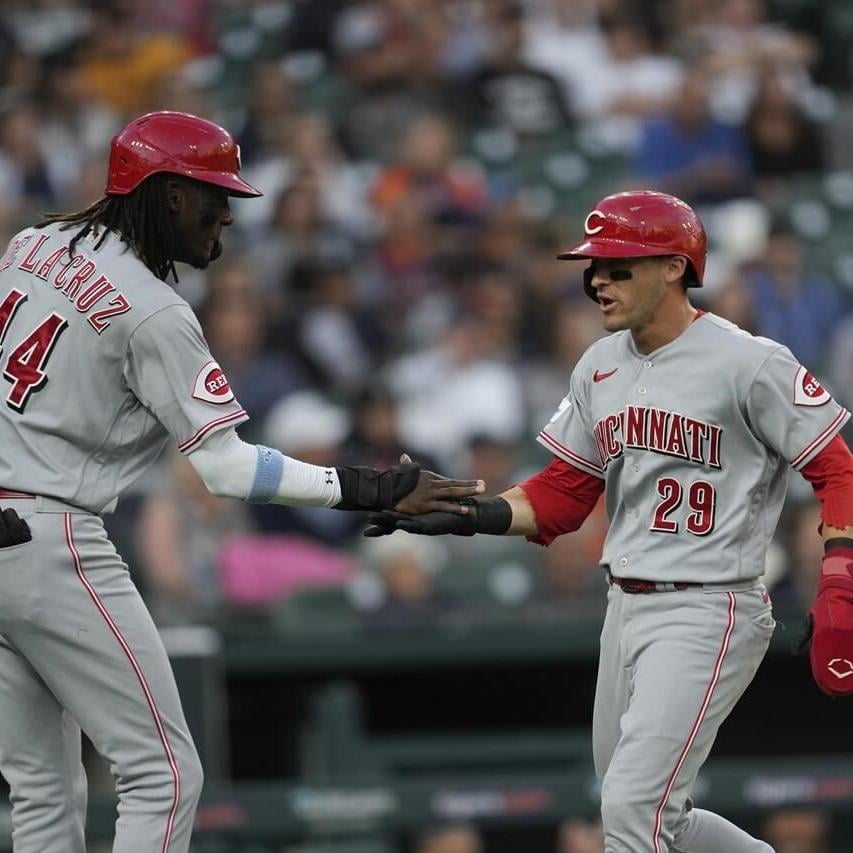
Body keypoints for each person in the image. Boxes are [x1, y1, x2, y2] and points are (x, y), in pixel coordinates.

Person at [0, 110, 484, 853]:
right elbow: (226, 467)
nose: (227, 213)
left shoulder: (35, 243)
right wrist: (374, 488)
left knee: (41, 786)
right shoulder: (154, 309)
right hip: (49, 534)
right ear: (165, 194)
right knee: (164, 774)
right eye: (211, 194)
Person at [368, 190, 853, 851]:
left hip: (707, 603)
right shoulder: (597, 366)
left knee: (632, 807)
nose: (596, 279)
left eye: (617, 266)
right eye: (593, 266)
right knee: (654, 816)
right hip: (624, 604)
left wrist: (839, 580)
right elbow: (562, 497)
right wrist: (467, 512)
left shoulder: (749, 361)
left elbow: (837, 468)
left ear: (674, 267)